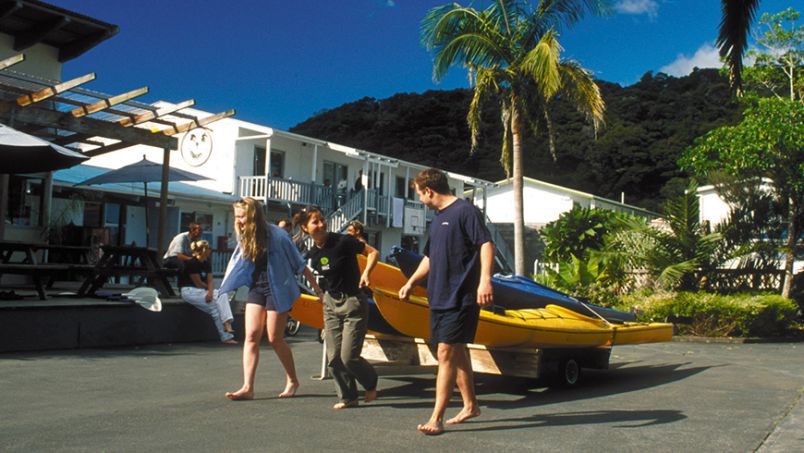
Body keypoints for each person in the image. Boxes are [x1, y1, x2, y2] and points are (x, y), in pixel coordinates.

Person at [398, 168, 494, 435]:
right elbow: (429, 257)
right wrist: (411, 282)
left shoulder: (465, 212)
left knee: (445, 353)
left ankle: (436, 417)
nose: (420, 200)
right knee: (457, 351)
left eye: (419, 194)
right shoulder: (439, 218)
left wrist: (485, 280)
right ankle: (471, 405)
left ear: (429, 191)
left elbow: (485, 244)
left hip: (460, 296)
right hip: (438, 297)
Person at [220, 197, 324, 400]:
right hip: (256, 288)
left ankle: (293, 379)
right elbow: (238, 263)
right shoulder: (245, 235)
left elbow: (300, 265)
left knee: (275, 338)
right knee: (250, 335)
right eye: (236, 216)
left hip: (278, 289)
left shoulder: (278, 235)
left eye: (241, 216)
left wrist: (318, 291)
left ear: (252, 215)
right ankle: (247, 387)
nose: (238, 220)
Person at [296, 205, 379, 409]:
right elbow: (325, 278)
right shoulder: (313, 254)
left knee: (349, 357)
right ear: (305, 228)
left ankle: (370, 383)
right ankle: (348, 397)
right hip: (331, 303)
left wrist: (367, 273)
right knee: (333, 357)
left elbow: (373, 252)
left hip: (353, 302)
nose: (321, 224)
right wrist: (320, 295)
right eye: (315, 222)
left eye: (322, 219)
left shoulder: (343, 241)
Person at [178, 240, 236, 344]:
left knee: (221, 294)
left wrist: (210, 292)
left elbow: (210, 280)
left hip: (202, 291)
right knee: (215, 306)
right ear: (203, 250)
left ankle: (227, 323)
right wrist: (210, 291)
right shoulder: (192, 263)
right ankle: (226, 336)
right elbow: (198, 283)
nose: (210, 250)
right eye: (209, 248)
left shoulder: (206, 263)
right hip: (189, 291)